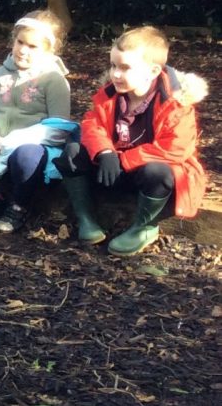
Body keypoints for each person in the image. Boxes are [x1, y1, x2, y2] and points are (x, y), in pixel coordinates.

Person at [60, 26, 209, 256]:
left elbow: (175, 148)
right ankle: (86, 219)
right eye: (113, 66)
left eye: (125, 68)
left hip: (147, 177)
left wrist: (124, 159)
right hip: (113, 168)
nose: (116, 74)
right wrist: (105, 152)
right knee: (72, 152)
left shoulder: (176, 103)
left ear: (153, 71)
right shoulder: (110, 94)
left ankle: (144, 227)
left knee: (158, 172)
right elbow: (92, 123)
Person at [0, 10, 77, 233]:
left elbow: (59, 127)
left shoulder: (53, 80)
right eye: (20, 42)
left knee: (27, 156)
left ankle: (19, 205)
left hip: (30, 145)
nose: (23, 50)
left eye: (33, 46)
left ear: (50, 49)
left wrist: (15, 140)